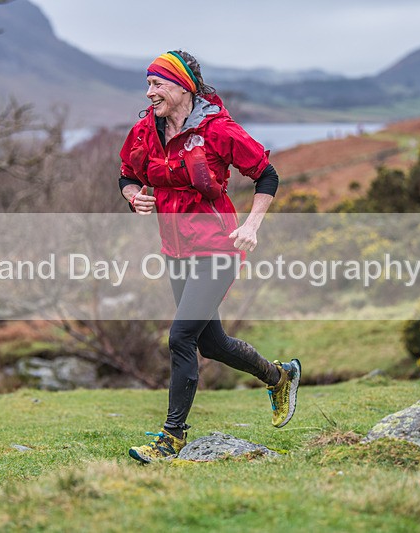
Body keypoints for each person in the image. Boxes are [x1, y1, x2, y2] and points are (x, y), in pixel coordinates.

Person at [119, 50, 301, 464]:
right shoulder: (146, 131)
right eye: (147, 84)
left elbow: (267, 175)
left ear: (183, 85)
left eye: (157, 84)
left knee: (180, 337)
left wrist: (252, 224)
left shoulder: (218, 130)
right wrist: (134, 197)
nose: (149, 92)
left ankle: (171, 438)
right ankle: (279, 376)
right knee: (211, 341)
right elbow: (127, 175)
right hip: (175, 250)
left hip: (219, 247)